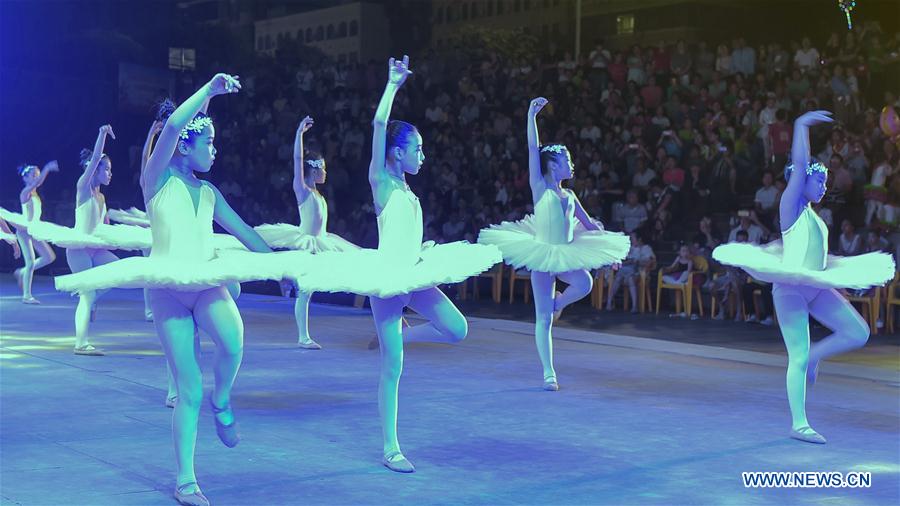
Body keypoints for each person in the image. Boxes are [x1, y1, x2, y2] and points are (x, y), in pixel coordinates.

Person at [55, 74, 302, 505]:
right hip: (168, 291)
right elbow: (170, 129)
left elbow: (244, 230)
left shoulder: (208, 191)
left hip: (205, 285)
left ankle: (222, 399)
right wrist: (208, 92)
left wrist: (280, 268)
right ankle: (185, 480)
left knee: (234, 340)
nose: (215, 149)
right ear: (184, 147)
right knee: (188, 387)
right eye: (208, 141)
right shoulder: (156, 180)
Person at [288, 56, 501, 474]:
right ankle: (391, 447)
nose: (424, 155)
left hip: (414, 272)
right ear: (397, 153)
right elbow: (377, 126)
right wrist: (392, 85)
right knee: (394, 366)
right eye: (417, 149)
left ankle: (407, 332)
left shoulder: (408, 187)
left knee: (458, 330)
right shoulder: (382, 181)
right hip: (386, 278)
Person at [713, 111, 894, 444]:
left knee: (859, 331)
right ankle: (799, 422)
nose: (824, 187)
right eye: (819, 181)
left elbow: (817, 253)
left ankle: (814, 358)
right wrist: (801, 125)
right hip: (791, 290)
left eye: (827, 182)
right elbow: (800, 162)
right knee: (796, 354)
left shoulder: (815, 216)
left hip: (814, 286)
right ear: (801, 181)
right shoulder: (791, 205)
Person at [479, 96, 629, 390]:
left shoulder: (571, 196)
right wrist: (531, 116)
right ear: (553, 166)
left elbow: (590, 225)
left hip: (566, 253)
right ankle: (549, 372)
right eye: (567, 161)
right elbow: (532, 149)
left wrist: (609, 253)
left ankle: (559, 302)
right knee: (543, 318)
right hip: (541, 254)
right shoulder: (539, 187)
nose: (572, 164)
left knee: (585, 283)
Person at [254, 115, 359, 349]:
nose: (326, 172)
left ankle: (289, 279)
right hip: (307, 243)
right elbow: (297, 158)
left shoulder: (320, 195)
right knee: (307, 290)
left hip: (323, 242)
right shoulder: (302, 190)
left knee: (319, 281)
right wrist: (299, 134)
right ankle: (303, 336)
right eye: (324, 168)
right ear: (314, 170)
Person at [0, 161, 59, 303]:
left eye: (37, 175)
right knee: (31, 262)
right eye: (33, 175)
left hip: (35, 229)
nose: (36, 178)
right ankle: (27, 295)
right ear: (25, 178)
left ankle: (22, 272)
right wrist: (47, 169)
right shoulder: (25, 192)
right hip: (24, 230)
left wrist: (43, 172)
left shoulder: (35, 194)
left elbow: (37, 184)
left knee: (49, 257)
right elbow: (36, 184)